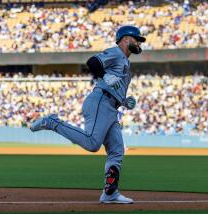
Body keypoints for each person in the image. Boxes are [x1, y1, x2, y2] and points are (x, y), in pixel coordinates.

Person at [30, 26, 146, 204]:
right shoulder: (116, 52)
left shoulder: (125, 61)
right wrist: (104, 76)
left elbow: (113, 85)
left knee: (116, 151)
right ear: (125, 39)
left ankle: (110, 193)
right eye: (136, 39)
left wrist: (123, 101)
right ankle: (52, 122)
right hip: (101, 101)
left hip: (111, 107)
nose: (139, 43)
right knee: (93, 143)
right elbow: (92, 62)